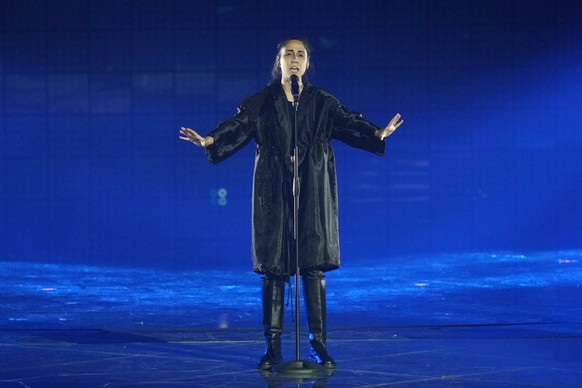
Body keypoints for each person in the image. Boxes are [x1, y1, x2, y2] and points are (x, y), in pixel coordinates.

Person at [179, 37, 403, 370]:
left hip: (312, 187)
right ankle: (273, 348)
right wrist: (210, 139)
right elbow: (237, 124)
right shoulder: (262, 101)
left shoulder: (321, 101)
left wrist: (376, 134)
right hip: (273, 188)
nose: (295, 59)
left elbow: (348, 121)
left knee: (312, 265)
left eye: (301, 54)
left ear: (307, 63)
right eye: (289, 54)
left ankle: (318, 344)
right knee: (274, 267)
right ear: (279, 61)